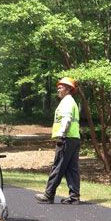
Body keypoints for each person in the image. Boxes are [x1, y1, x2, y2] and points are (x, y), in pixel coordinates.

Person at [36, 76, 81, 204]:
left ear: (68, 89)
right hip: (74, 138)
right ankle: (74, 197)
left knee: (58, 166)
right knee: (72, 169)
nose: (58, 89)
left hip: (66, 138)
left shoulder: (67, 102)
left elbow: (66, 120)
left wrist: (61, 135)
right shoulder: (71, 101)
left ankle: (49, 194)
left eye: (61, 87)